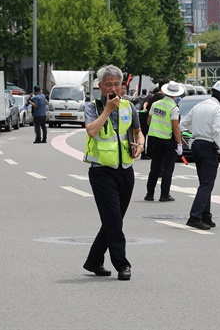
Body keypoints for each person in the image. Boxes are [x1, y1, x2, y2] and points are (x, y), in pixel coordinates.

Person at [82, 64, 144, 281]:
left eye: (117, 84)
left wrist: (140, 144)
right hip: (101, 172)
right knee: (114, 221)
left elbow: (138, 132)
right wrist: (108, 109)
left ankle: (93, 260)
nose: (113, 89)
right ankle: (122, 265)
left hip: (125, 169)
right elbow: (91, 130)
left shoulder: (129, 106)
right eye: (109, 84)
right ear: (100, 86)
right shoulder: (93, 106)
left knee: (113, 220)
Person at [180, 80, 220, 230]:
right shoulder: (217, 109)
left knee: (204, 183)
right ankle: (195, 216)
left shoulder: (199, 105)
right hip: (207, 146)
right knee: (207, 184)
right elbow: (217, 131)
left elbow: (185, 123)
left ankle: (205, 216)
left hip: (196, 144)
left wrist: (197, 128)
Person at [144, 81, 184, 202]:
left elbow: (148, 121)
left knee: (154, 167)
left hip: (155, 139)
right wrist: (180, 144)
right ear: (176, 94)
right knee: (168, 168)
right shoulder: (173, 107)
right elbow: (176, 127)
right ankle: (164, 194)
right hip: (168, 140)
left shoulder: (155, 104)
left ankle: (149, 194)